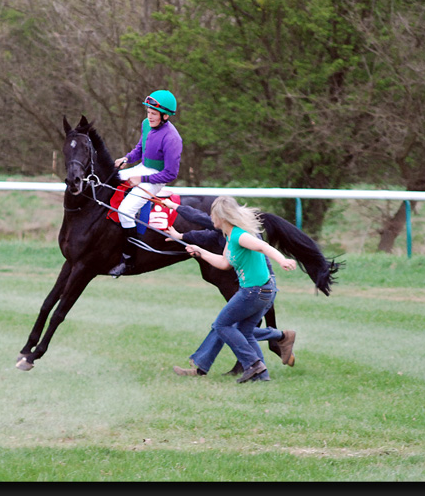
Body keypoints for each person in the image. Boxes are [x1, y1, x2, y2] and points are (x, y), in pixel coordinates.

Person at [160, 197, 297, 378]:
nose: (210, 217)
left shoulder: (241, 236)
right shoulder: (229, 237)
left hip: (254, 292)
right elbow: (224, 263)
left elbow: (263, 246)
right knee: (244, 332)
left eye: (212, 214)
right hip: (259, 291)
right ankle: (261, 375)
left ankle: (253, 364)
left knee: (222, 325)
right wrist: (200, 252)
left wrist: (282, 260)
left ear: (221, 216)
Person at [107, 90, 183, 278]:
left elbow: (170, 174)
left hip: (157, 178)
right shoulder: (146, 125)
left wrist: (142, 179)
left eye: (154, 114)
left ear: (165, 116)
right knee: (108, 180)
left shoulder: (172, 139)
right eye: (148, 112)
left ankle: (129, 259)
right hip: (142, 168)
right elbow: (140, 150)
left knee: (125, 210)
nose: (149, 116)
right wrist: (126, 159)